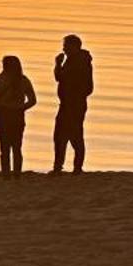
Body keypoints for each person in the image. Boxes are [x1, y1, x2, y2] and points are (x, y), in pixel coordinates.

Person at [0, 55, 37, 175]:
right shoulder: (23, 80)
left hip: (5, 115)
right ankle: (16, 174)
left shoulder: (0, 79)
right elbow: (32, 100)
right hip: (16, 115)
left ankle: (7, 174)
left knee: (5, 147)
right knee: (16, 147)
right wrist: (21, 108)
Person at [52, 33, 94, 172]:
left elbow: (87, 87)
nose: (63, 49)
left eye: (66, 46)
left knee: (72, 135)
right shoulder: (71, 60)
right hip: (67, 103)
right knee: (62, 135)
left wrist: (75, 96)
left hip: (74, 104)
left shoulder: (80, 61)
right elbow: (60, 78)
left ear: (74, 47)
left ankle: (75, 167)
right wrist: (58, 64)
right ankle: (62, 167)